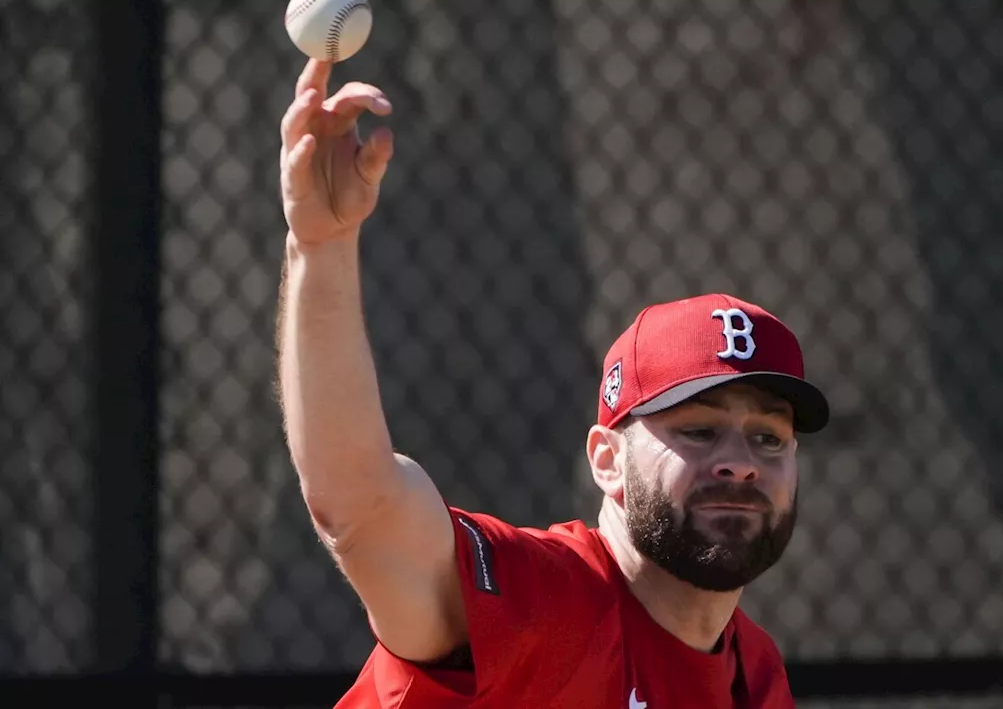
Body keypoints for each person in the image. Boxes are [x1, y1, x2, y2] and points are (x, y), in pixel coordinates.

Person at [276, 58, 830, 708]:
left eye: (768, 438)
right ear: (606, 459)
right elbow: (360, 506)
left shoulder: (753, 676)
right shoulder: (540, 602)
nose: (738, 463)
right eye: (699, 430)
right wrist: (321, 248)